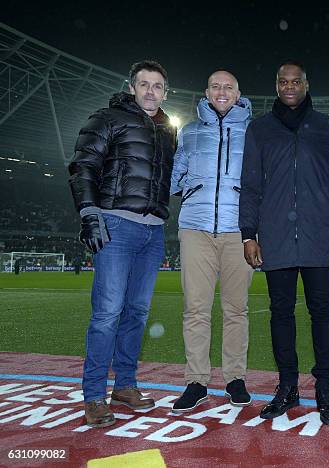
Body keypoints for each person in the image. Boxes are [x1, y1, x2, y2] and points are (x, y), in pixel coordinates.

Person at [68, 60, 177, 428]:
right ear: (132, 87)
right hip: (115, 225)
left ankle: (125, 385)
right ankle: (95, 395)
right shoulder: (107, 118)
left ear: (165, 92)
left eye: (157, 86)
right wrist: (89, 212)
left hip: (153, 231)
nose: (150, 91)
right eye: (144, 84)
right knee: (107, 314)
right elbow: (82, 165)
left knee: (137, 313)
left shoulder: (166, 131)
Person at [239, 60, 329, 426]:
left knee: (322, 314)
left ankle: (325, 390)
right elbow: (250, 185)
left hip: (319, 234)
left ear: (306, 83)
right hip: (277, 237)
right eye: (283, 81)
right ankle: (287, 387)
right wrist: (248, 234)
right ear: (276, 84)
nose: (289, 86)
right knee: (280, 313)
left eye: (295, 81)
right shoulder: (260, 129)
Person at [170, 70, 254, 412]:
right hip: (195, 228)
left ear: (238, 93)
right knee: (195, 309)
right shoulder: (188, 132)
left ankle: (235, 378)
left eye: (228, 87)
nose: (222, 91)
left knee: (236, 309)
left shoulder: (255, 132)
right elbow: (174, 180)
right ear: (206, 92)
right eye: (216, 86)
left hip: (239, 231)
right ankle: (196, 381)